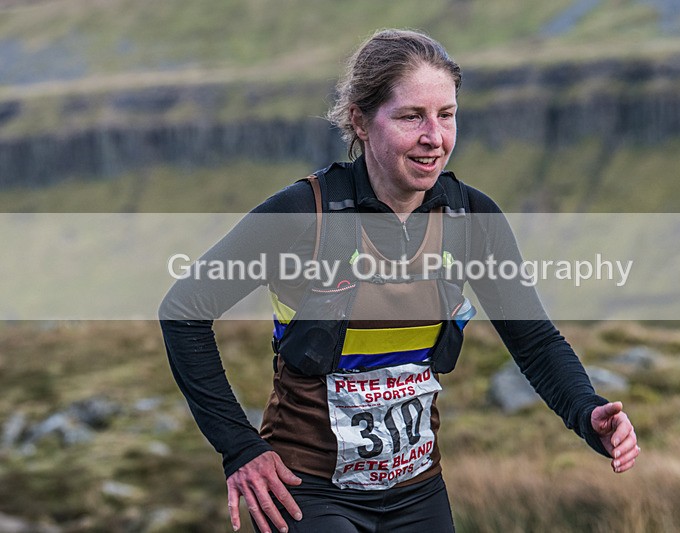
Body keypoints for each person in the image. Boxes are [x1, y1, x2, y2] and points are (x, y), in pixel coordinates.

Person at [160, 28, 639, 533]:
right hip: (308, 495)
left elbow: (534, 340)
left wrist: (587, 413)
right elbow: (183, 310)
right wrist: (240, 448)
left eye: (447, 115)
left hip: (418, 493)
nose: (435, 137)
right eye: (412, 117)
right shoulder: (304, 214)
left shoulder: (471, 218)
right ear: (360, 121)